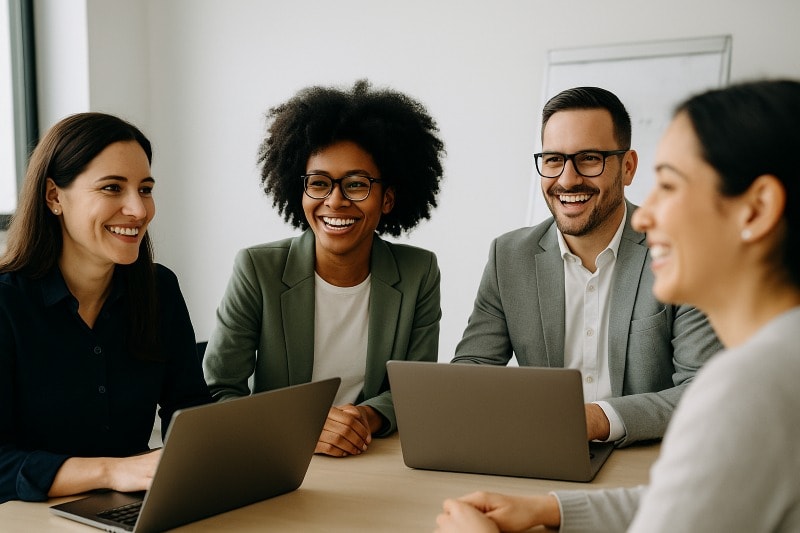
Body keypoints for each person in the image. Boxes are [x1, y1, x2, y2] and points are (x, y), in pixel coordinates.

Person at [435, 79, 800, 532]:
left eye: (669, 185)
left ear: (756, 209)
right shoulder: (780, 359)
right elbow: (691, 498)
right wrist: (553, 510)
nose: (645, 216)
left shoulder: (744, 387)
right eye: (553, 159)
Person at [451, 86, 721, 446]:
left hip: (649, 462)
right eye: (553, 160)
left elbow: (704, 390)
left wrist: (597, 418)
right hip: (542, 455)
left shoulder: (682, 251)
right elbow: (471, 374)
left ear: (627, 168)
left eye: (589, 158)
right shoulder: (508, 256)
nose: (567, 179)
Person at [203, 80, 445, 457]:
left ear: (388, 198)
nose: (335, 201)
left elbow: (412, 391)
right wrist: (299, 427)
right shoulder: (257, 269)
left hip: (371, 455)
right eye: (319, 183)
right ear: (298, 192)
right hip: (275, 456)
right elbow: (217, 391)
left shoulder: (419, 272)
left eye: (356, 184)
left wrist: (364, 417)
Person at [0, 112, 212, 503]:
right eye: (113, 188)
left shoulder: (159, 288)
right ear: (53, 197)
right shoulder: (6, 303)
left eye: (145, 189)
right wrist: (113, 470)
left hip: (132, 508)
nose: (138, 209)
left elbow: (188, 406)